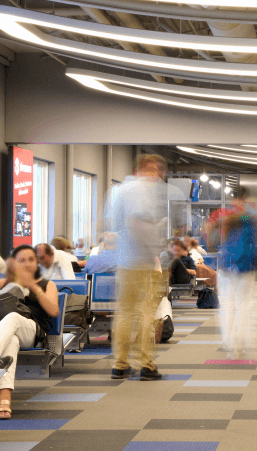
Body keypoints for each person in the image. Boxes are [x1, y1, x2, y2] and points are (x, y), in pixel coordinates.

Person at [0, 245, 59, 420]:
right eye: (22, 260)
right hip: (8, 333)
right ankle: (4, 399)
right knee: (12, 341)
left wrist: (34, 288)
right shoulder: (5, 283)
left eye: (31, 259)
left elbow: (53, 311)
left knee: (13, 317)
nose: (27, 263)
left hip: (34, 332)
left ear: (37, 263)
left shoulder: (46, 284)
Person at [109, 153, 168, 381]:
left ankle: (120, 364)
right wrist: (153, 251)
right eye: (154, 170)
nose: (157, 176)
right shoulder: (140, 189)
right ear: (143, 169)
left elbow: (114, 226)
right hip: (142, 261)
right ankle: (146, 364)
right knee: (146, 314)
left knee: (124, 314)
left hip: (124, 261)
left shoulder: (120, 190)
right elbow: (137, 222)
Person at [207, 187, 257, 360]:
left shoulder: (223, 215)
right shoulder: (249, 215)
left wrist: (220, 222)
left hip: (227, 265)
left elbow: (210, 239)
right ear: (244, 197)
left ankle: (230, 343)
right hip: (244, 267)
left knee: (228, 307)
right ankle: (239, 344)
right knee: (242, 306)